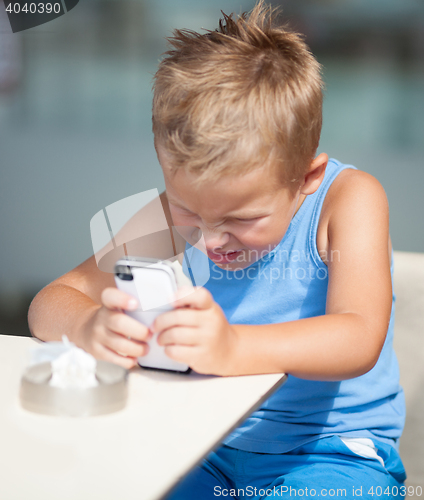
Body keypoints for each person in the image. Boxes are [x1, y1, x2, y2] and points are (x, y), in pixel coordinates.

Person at [28, 1, 406, 497]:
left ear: (306, 178)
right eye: (189, 211)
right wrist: (86, 325)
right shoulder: (169, 214)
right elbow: (51, 300)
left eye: (241, 218)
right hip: (203, 445)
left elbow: (358, 336)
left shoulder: (350, 199)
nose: (207, 239)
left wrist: (233, 347)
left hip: (333, 453)